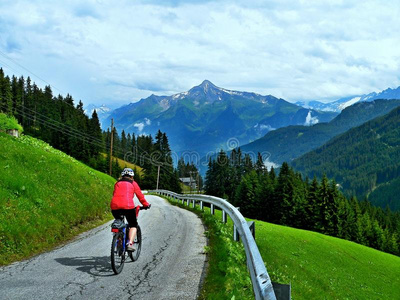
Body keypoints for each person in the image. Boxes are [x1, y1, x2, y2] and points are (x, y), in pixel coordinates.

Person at [110, 168, 150, 251]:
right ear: (132, 176)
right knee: (133, 225)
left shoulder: (117, 183)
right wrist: (146, 205)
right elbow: (140, 196)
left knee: (119, 223)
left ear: (122, 176)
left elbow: (115, 194)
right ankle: (130, 243)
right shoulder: (133, 183)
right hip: (128, 207)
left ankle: (119, 242)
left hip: (115, 207)